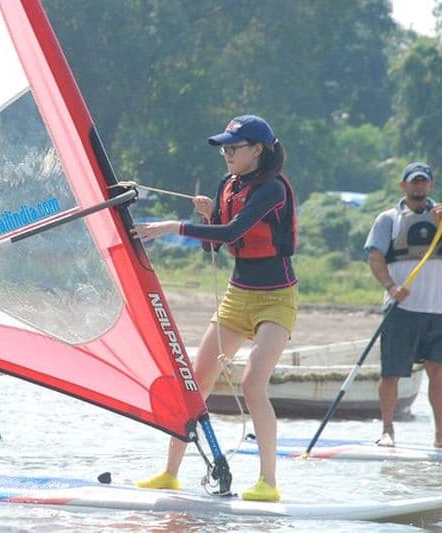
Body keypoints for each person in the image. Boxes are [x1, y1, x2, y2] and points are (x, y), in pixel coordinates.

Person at [131, 115, 297, 502]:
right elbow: (215, 244)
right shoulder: (229, 186)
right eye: (224, 147)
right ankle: (170, 473)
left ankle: (268, 482)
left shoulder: (272, 189)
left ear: (257, 150)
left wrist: (177, 226)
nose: (226, 154)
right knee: (194, 381)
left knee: (252, 383)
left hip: (276, 296)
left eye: (233, 148)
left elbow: (232, 232)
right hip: (237, 295)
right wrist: (208, 216)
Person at [363, 161, 442, 449]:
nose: (419, 186)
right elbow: (375, 257)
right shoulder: (389, 219)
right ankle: (387, 430)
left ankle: (440, 436)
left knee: (438, 372)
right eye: (414, 181)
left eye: (424, 181)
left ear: (430, 185)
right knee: (392, 372)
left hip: (438, 310)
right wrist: (391, 287)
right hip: (402, 310)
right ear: (403, 185)